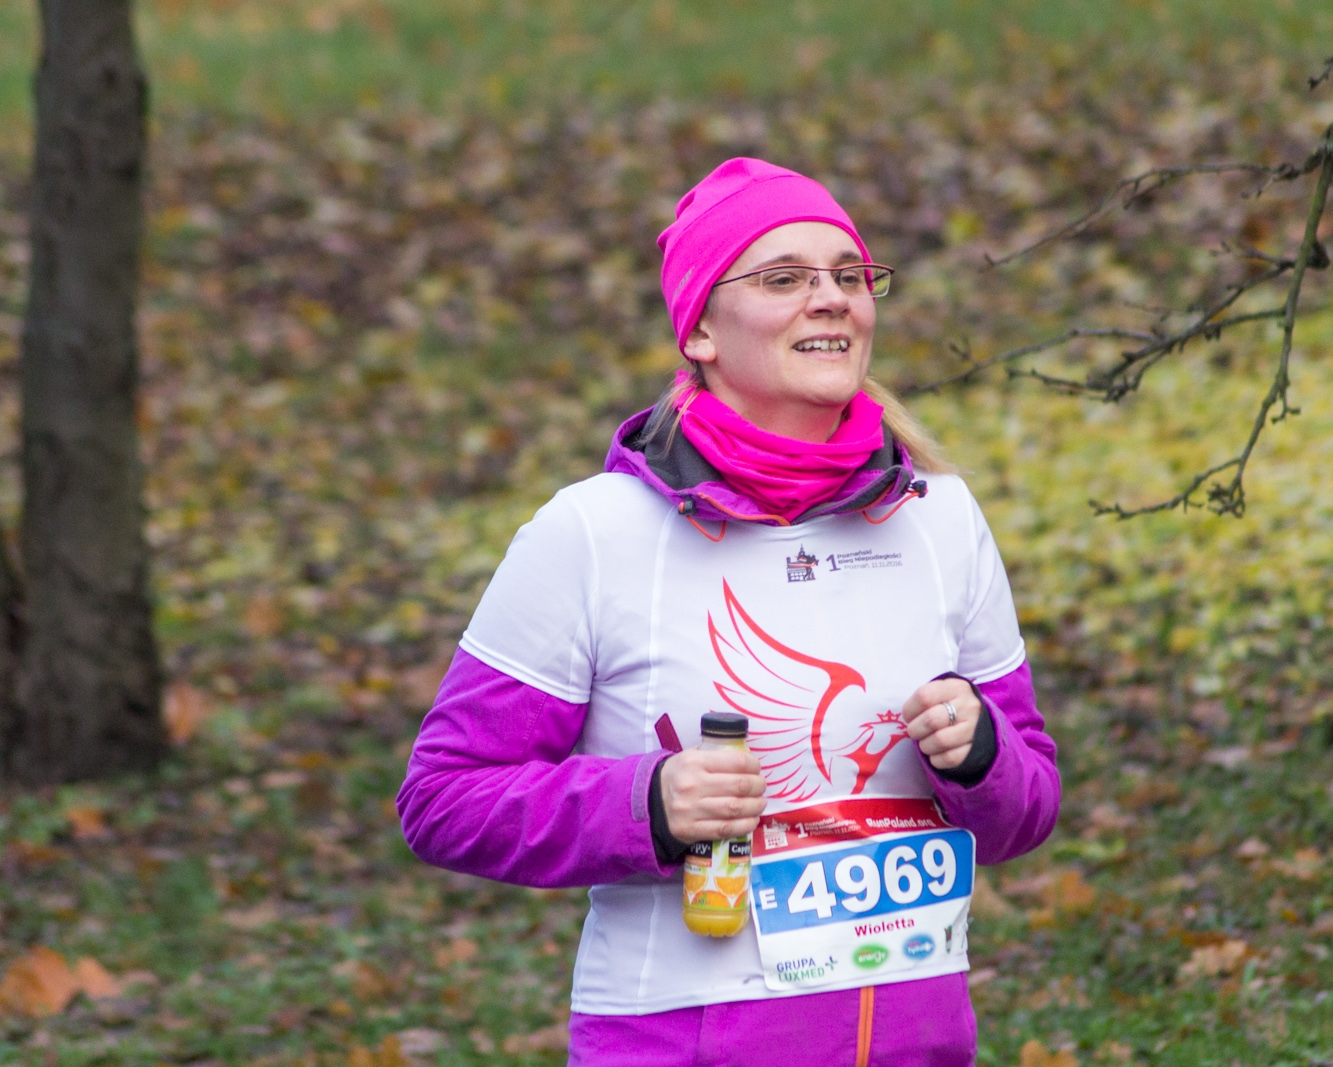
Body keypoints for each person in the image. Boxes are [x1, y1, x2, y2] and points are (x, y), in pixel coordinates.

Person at [397, 157, 1060, 1067]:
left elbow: (1025, 812)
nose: (831, 299)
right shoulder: (593, 534)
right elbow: (442, 799)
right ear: (701, 329)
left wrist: (983, 757)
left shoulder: (939, 518)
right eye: (785, 278)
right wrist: (647, 804)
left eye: (849, 275)